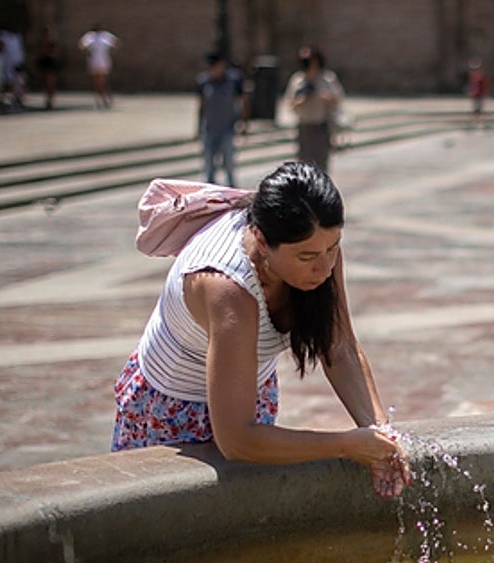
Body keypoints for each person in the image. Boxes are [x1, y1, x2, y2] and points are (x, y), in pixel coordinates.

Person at [112, 161, 412, 498]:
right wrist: (344, 445)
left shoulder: (317, 247)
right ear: (261, 240)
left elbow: (338, 346)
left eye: (333, 248)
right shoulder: (226, 288)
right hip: (172, 410)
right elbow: (237, 440)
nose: (325, 266)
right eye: (307, 257)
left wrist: (378, 432)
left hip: (247, 391)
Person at [283, 46, 344, 173]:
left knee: (321, 164)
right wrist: (300, 100)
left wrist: (325, 97)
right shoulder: (298, 80)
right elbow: (289, 102)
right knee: (304, 164)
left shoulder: (327, 78)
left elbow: (337, 101)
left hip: (320, 125)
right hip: (304, 126)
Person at [196, 52, 247, 186]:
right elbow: (201, 105)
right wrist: (198, 127)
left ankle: (232, 190)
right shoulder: (204, 82)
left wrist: (244, 122)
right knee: (208, 165)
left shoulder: (234, 81)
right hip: (210, 128)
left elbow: (242, 102)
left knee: (229, 163)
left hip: (227, 128)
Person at [78, 22, 119, 108]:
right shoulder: (91, 36)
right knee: (98, 81)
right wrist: (89, 52)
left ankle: (105, 97)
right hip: (95, 60)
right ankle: (101, 98)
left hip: (103, 60)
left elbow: (115, 43)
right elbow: (82, 45)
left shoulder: (105, 36)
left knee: (103, 80)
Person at [35, 26, 60, 110]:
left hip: (49, 61)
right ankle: (48, 100)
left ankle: (50, 100)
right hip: (44, 61)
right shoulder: (41, 42)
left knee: (50, 82)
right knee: (46, 82)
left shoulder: (51, 41)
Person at [466, 57, 490, 128]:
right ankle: (476, 122)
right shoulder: (473, 77)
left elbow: (484, 86)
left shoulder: (481, 77)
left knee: (479, 110)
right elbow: (472, 86)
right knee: (476, 110)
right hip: (475, 95)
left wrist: (484, 93)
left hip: (480, 95)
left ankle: (483, 122)